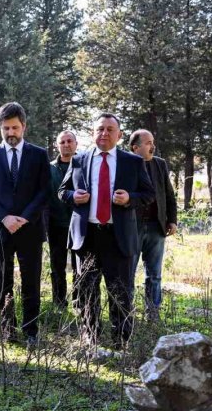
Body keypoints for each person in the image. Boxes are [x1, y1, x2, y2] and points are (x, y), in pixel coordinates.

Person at [58, 113, 154, 350]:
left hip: (118, 236)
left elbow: (149, 194)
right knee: (87, 290)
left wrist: (130, 198)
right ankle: (90, 337)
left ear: (119, 135)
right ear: (92, 133)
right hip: (87, 235)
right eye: (100, 129)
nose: (104, 133)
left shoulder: (132, 162)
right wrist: (73, 196)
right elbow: (62, 190)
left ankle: (120, 341)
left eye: (110, 129)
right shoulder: (79, 160)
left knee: (120, 291)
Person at [0, 102, 51, 345]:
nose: (11, 133)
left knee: (31, 281)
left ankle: (31, 331)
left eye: (15, 128)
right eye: (6, 128)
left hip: (29, 229)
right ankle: (7, 329)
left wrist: (24, 218)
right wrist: (5, 218)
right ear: (0, 128)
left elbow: (44, 192)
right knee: (2, 281)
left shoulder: (39, 154)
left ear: (24, 127)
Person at [129, 129, 177, 319]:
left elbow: (168, 194)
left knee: (154, 274)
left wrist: (172, 220)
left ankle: (153, 313)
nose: (153, 146)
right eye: (148, 142)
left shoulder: (160, 164)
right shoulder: (126, 164)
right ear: (135, 147)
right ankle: (127, 313)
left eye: (152, 142)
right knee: (128, 273)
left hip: (157, 227)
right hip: (132, 227)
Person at [47, 131, 78, 309]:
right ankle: (59, 302)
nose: (66, 144)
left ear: (76, 143)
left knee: (78, 266)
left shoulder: (83, 165)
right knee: (57, 266)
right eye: (62, 142)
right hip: (56, 224)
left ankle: (78, 301)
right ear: (57, 146)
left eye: (69, 141)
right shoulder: (50, 168)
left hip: (80, 225)